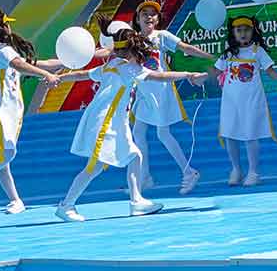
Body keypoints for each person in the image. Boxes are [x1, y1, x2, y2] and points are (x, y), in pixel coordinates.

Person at [60, 22, 208, 221]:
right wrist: (188, 75)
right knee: (94, 167)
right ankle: (66, 205)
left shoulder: (111, 65)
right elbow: (160, 76)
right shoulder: (129, 69)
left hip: (113, 123)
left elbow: (82, 74)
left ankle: (136, 201)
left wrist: (58, 78)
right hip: (106, 123)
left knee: (135, 156)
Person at [0, 11, 87, 226]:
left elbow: (32, 63)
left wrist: (66, 62)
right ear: (2, 28)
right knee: (7, 153)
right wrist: (46, 75)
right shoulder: (1, 49)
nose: (10, 28)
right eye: (7, 24)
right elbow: (20, 65)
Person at [123, 1, 210, 196]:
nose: (149, 17)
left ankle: (189, 172)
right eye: (144, 13)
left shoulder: (161, 36)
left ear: (157, 19)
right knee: (138, 132)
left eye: (153, 14)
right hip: (143, 92)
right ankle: (145, 177)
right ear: (137, 19)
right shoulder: (133, 40)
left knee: (163, 133)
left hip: (161, 90)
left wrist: (208, 56)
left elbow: (185, 47)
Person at [214, 14, 277, 186]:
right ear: (233, 33)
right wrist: (200, 77)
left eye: (246, 30)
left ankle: (253, 172)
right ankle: (236, 169)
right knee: (229, 134)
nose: (243, 33)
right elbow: (216, 71)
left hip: (252, 100)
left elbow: (269, 69)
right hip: (230, 101)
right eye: (239, 30)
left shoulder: (258, 51)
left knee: (251, 134)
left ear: (252, 32)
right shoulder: (228, 54)